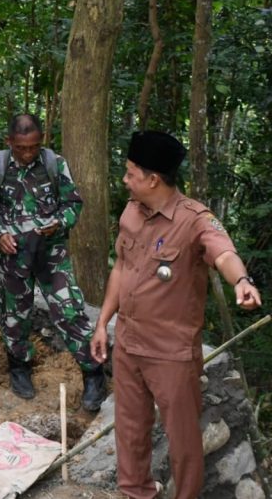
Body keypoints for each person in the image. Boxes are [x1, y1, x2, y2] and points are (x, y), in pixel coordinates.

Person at [90, 131, 262, 499]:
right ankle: (135, 492)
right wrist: (103, 323)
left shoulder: (194, 219)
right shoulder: (131, 212)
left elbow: (222, 252)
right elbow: (121, 268)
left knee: (183, 441)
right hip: (129, 344)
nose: (124, 180)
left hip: (171, 353)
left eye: (130, 173)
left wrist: (241, 281)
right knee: (130, 429)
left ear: (153, 179)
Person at [0, 113, 105, 411]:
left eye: (34, 147)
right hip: (13, 254)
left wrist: (59, 223)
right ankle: (20, 368)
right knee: (15, 315)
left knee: (69, 311)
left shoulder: (55, 164)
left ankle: (93, 374)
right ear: (9, 142)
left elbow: (73, 204)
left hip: (51, 252)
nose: (28, 154)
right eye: (21, 148)